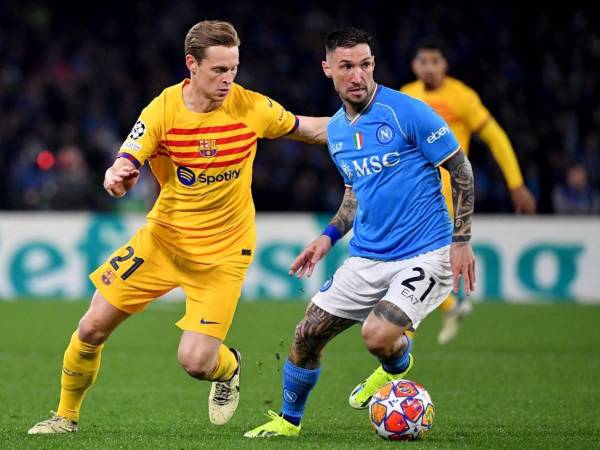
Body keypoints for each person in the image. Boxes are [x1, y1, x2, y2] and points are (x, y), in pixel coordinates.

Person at [28, 20, 328, 434]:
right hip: (163, 240)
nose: (228, 80)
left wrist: (371, 128)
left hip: (223, 254)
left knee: (195, 363)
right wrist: (119, 175)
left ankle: (229, 366)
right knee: (91, 326)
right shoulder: (163, 110)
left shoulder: (251, 107)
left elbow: (309, 128)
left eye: (234, 69)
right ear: (191, 64)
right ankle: (66, 417)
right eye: (218, 70)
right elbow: (128, 157)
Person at [244, 27, 476, 439]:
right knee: (306, 334)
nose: (358, 75)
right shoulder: (337, 132)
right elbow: (355, 194)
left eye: (365, 65)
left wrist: (461, 241)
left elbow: (461, 170)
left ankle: (394, 366)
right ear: (328, 69)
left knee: (377, 334)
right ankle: (288, 421)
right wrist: (327, 237)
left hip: (426, 251)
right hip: (368, 256)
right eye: (347, 66)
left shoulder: (408, 111)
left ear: (373, 65)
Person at [401, 39, 536, 344]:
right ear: (414, 65)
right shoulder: (407, 95)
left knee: (413, 257)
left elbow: (496, 137)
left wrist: (515, 183)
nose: (429, 68)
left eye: (435, 61)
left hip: (446, 192)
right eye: (423, 61)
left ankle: (414, 324)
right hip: (409, 191)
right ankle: (448, 305)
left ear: (444, 65)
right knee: (411, 257)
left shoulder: (462, 97)